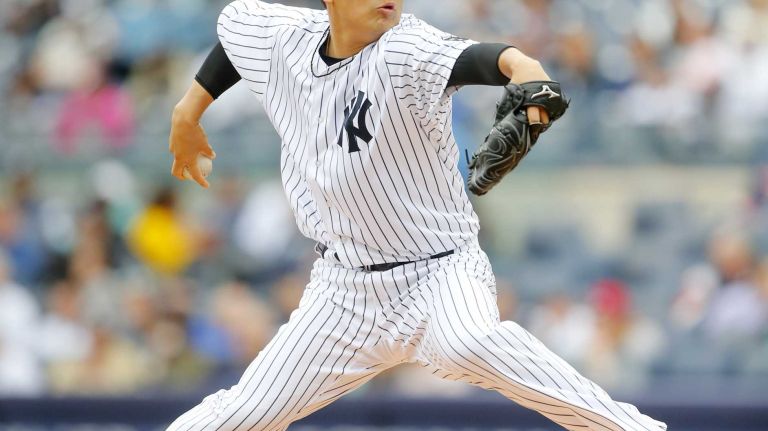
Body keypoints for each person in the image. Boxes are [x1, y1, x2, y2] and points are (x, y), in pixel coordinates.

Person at [166, 1, 667, 430]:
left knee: (465, 343)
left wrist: (523, 65)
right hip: (343, 293)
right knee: (243, 414)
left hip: (439, 271)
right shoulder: (287, 39)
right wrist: (188, 110)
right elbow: (236, 37)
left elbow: (478, 60)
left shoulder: (405, 47)